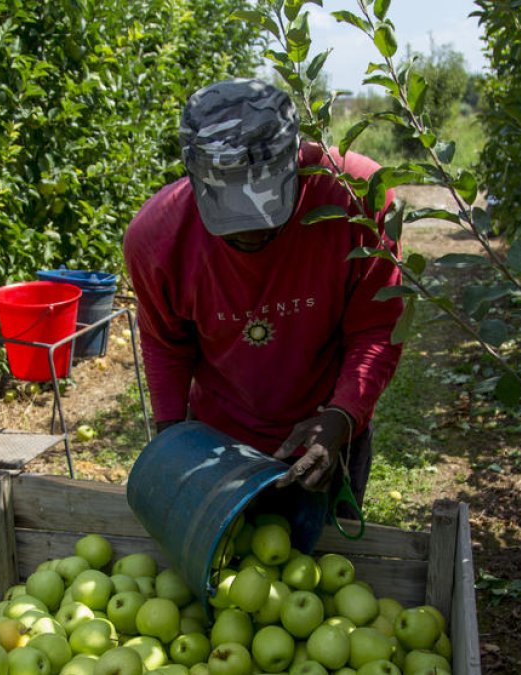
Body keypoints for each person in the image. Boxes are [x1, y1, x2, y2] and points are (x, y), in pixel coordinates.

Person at [122, 78, 405, 508]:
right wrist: (172, 443)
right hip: (216, 444)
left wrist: (342, 416)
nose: (252, 233)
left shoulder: (356, 198)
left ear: (296, 163)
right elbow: (166, 344)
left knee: (326, 561)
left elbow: (378, 325)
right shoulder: (157, 239)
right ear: (195, 180)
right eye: (231, 219)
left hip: (328, 430)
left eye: (269, 211)